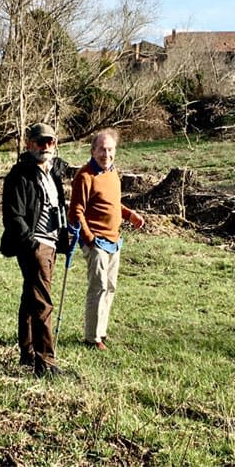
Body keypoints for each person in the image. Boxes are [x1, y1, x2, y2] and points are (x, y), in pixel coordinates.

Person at [0, 123, 69, 378]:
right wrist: (31, 243)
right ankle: (46, 363)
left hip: (50, 244)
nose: (45, 147)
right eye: (40, 142)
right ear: (29, 144)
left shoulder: (52, 173)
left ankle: (27, 354)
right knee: (42, 302)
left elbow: (57, 207)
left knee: (30, 299)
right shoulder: (19, 175)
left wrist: (63, 238)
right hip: (34, 245)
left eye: (49, 142)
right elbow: (13, 215)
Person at [68, 128, 144, 351]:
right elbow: (76, 212)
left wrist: (130, 215)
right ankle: (92, 338)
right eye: (102, 149)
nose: (106, 154)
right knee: (98, 286)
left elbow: (112, 205)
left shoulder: (113, 173)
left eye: (110, 150)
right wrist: (89, 239)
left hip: (114, 240)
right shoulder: (84, 176)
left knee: (110, 286)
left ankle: (101, 331)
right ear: (93, 151)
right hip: (96, 241)